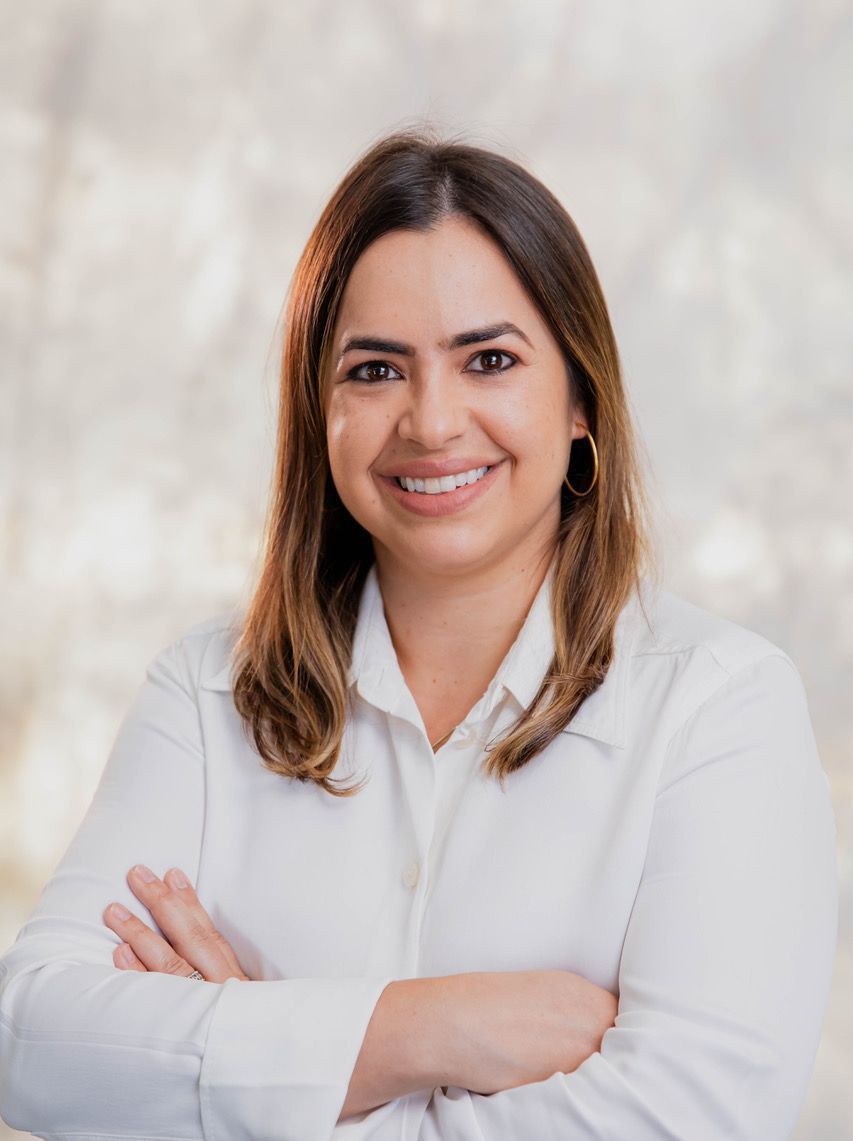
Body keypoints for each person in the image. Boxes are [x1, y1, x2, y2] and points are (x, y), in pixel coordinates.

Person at [0, 126, 837, 1140]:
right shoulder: (205, 692)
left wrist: (240, 1063)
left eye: (488, 359)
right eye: (375, 370)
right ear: (320, 408)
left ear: (580, 401)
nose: (432, 422)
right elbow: (30, 1045)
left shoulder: (720, 708)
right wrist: (431, 1028)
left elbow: (695, 1119)